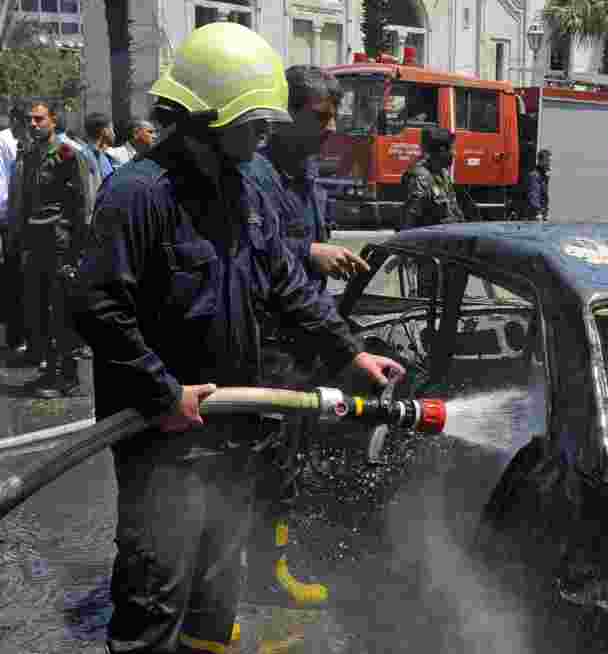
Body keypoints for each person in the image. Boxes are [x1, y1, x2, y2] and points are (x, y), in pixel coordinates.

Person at [71, 23, 405, 654]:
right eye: (254, 125)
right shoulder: (139, 195)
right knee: (155, 599)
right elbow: (97, 308)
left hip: (233, 435)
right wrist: (162, 392)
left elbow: (285, 283)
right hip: (164, 444)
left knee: (217, 599)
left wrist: (349, 352)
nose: (263, 140)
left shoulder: (244, 188)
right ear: (208, 117)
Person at [237, 64, 370, 627]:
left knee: (288, 462)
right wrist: (309, 254)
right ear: (284, 114)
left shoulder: (307, 173)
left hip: (301, 345)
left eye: (334, 116)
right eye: (320, 117)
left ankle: (271, 570)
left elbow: (307, 242)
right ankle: (232, 581)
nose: (330, 128)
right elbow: (252, 258)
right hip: (264, 346)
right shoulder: (255, 176)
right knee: (255, 461)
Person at [11, 100, 90, 396]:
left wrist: (79, 251)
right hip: (35, 241)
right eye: (30, 120)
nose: (33, 124)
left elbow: (83, 205)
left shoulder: (68, 154)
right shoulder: (30, 155)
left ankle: (67, 377)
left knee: (61, 310)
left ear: (53, 121)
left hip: (60, 243)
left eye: (39, 119)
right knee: (38, 309)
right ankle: (49, 370)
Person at [401, 126, 464, 230]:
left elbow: (453, 208)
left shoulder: (443, 174)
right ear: (442, 151)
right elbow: (410, 218)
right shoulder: (421, 177)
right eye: (451, 149)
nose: (454, 153)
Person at [0, 104, 26, 350]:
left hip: (22, 217)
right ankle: (14, 335)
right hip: (10, 218)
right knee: (13, 275)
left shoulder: (27, 142)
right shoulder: (4, 141)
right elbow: (4, 185)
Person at [526, 148, 551, 221]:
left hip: (541, 214)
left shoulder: (542, 176)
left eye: (549, 161)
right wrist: (538, 213)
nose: (549, 163)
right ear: (540, 161)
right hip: (536, 216)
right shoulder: (535, 176)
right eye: (547, 161)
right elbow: (534, 195)